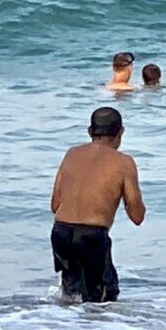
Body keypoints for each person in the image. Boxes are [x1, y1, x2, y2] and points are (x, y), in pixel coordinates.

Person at [50, 107, 146, 302]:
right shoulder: (124, 162)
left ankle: (60, 321)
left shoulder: (72, 153)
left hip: (61, 233)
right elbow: (137, 216)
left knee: (70, 297)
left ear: (89, 132)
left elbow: (55, 205)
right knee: (103, 299)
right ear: (121, 132)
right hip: (91, 237)